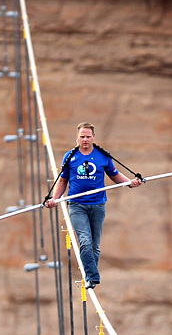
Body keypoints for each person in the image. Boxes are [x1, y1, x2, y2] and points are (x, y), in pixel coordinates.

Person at [43, 122, 141, 289]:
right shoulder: (70, 156)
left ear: (94, 137)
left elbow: (115, 175)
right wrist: (54, 199)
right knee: (85, 241)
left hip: (98, 205)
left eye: (88, 136)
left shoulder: (103, 156)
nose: (85, 140)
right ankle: (92, 277)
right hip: (76, 205)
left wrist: (130, 183)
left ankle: (90, 275)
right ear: (77, 137)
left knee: (95, 246)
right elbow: (63, 180)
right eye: (82, 136)